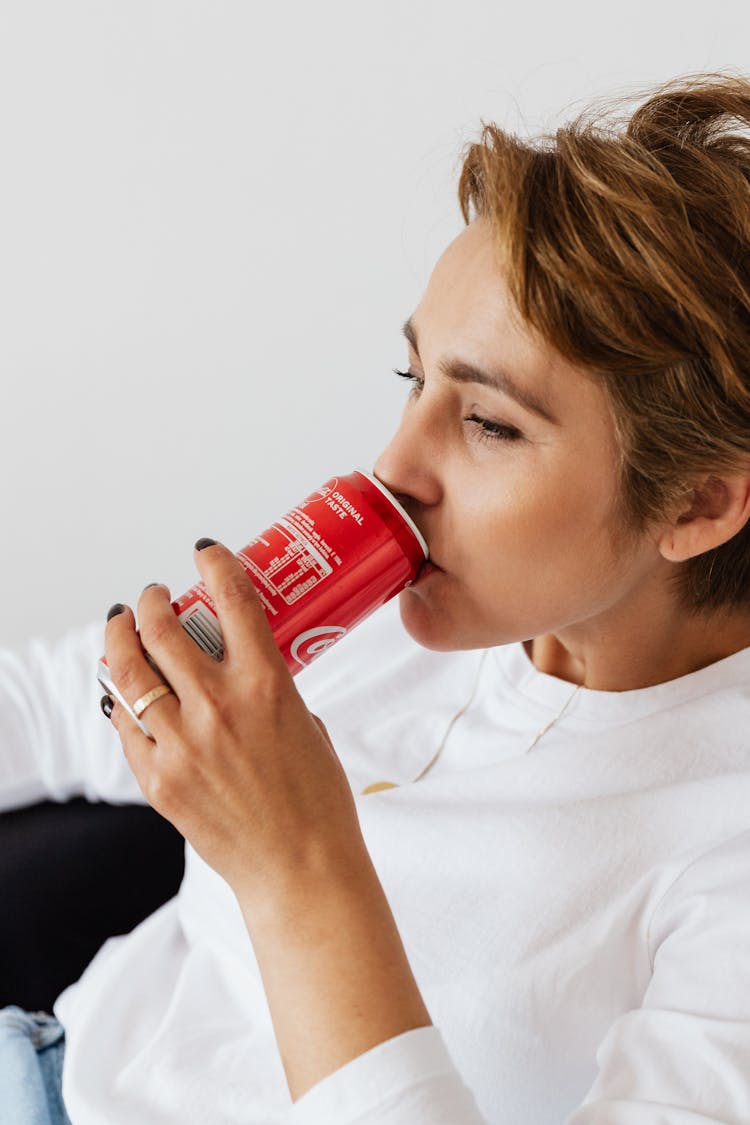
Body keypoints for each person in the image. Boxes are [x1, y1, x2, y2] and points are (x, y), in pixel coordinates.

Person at [2, 70, 750, 1124]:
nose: (392, 468)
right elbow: (45, 705)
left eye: (490, 424)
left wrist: (296, 871)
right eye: (415, 382)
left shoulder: (725, 848)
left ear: (701, 500)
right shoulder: (399, 606)